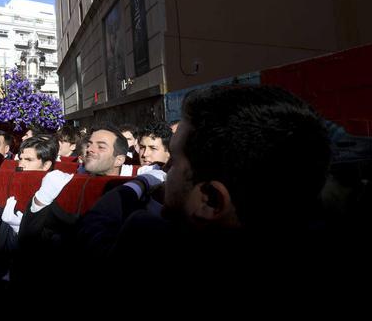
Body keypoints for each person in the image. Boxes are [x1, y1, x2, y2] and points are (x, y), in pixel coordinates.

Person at [76, 85, 334, 298]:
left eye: (174, 159)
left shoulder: (149, 242)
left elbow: (93, 235)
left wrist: (137, 185)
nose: (165, 169)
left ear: (209, 200)